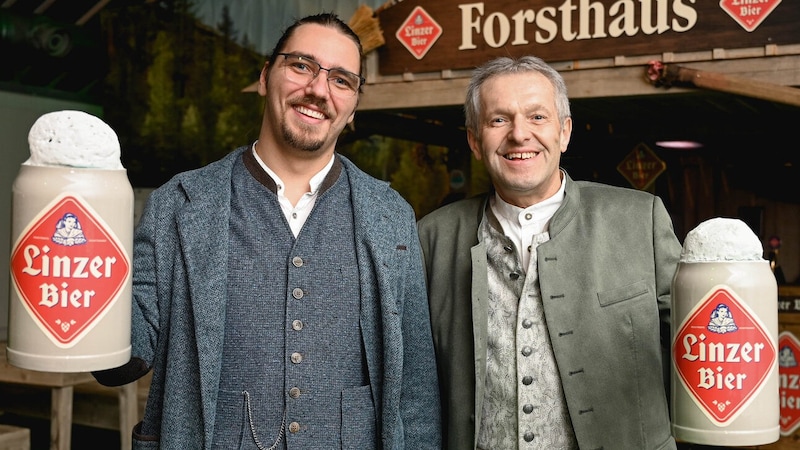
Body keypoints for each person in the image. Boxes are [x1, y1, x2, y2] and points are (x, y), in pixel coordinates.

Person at [93, 13, 441, 449]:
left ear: (353, 107)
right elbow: (124, 353)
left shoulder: (391, 215)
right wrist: (80, 272)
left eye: (342, 80)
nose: (317, 89)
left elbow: (415, 387)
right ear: (264, 76)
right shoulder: (178, 204)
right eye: (300, 65)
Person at [417, 55, 681, 449]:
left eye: (537, 117)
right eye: (498, 120)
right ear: (475, 140)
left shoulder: (639, 219)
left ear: (565, 132)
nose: (519, 135)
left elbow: (699, 346)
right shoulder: (431, 237)